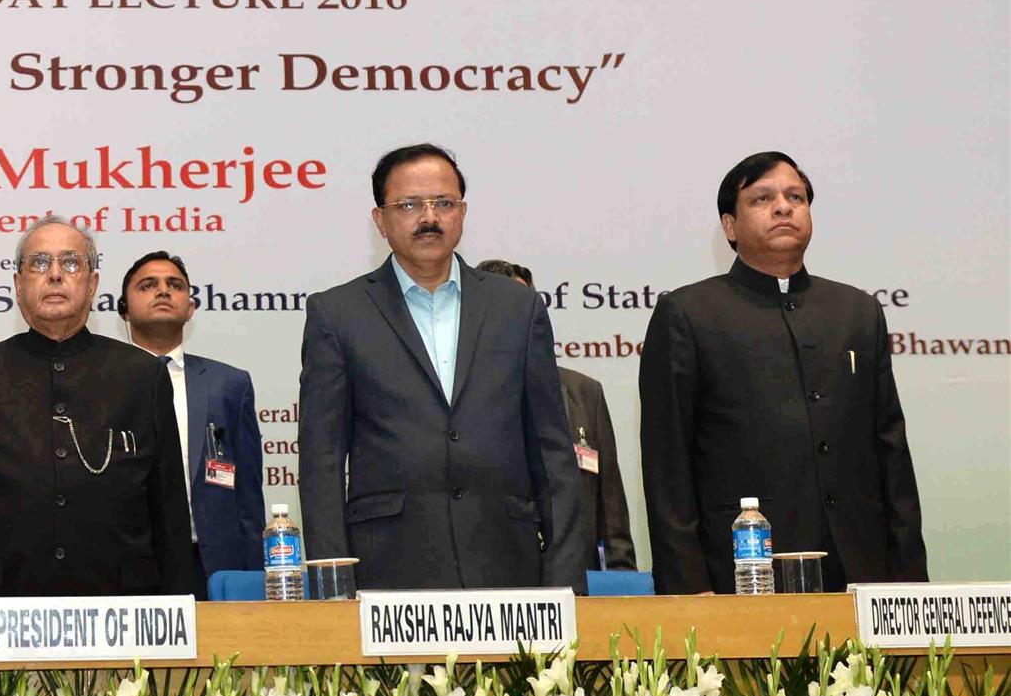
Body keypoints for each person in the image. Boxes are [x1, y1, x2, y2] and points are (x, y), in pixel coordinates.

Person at [297, 144, 587, 593]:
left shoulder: (517, 307)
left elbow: (553, 455)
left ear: (463, 213)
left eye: (443, 203)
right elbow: (322, 462)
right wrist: (333, 583)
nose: (428, 217)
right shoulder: (338, 313)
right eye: (409, 205)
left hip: (507, 563)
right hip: (388, 568)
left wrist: (566, 580)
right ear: (380, 220)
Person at [639, 151, 927, 595]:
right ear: (730, 227)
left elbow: (891, 450)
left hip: (863, 567)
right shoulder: (689, 313)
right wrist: (687, 588)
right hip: (741, 570)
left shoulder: (856, 312)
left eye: (796, 196)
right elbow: (667, 464)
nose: (783, 207)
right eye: (761, 198)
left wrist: (910, 579)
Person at [0, 216, 194, 602]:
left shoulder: (142, 375)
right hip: (2, 604)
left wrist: (179, 614)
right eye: (39, 263)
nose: (55, 275)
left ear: (92, 284)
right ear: (19, 285)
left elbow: (169, 512)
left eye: (71, 263)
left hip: (121, 603)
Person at [116, 251, 266, 595]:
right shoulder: (97, 381)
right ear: (124, 308)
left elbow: (248, 494)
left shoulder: (229, 384)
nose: (163, 291)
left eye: (175, 285)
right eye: (148, 285)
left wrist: (253, 576)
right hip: (127, 564)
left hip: (211, 564)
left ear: (191, 307)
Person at [477, 259, 638, 572]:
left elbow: (611, 506)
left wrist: (621, 577)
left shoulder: (584, 392)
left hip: (576, 575)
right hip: (495, 574)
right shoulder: (457, 399)